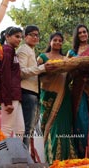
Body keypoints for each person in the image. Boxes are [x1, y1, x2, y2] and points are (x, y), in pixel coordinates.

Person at [37, 32, 77, 164]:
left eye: (60, 41)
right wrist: (50, 73)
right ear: (50, 42)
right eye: (55, 40)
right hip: (48, 96)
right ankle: (52, 162)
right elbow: (37, 76)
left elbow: (69, 79)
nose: (58, 43)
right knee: (50, 127)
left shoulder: (65, 59)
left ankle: (67, 162)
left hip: (64, 97)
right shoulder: (42, 57)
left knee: (63, 127)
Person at [67, 24, 89, 158]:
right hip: (78, 89)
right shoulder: (71, 52)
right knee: (82, 120)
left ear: (88, 33)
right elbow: (68, 71)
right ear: (77, 35)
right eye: (80, 33)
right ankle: (83, 152)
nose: (83, 34)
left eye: (85, 32)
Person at [16, 25, 54, 149]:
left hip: (34, 92)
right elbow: (21, 72)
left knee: (30, 127)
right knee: (27, 127)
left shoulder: (31, 51)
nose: (35, 37)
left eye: (37, 35)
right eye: (32, 34)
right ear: (25, 36)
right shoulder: (23, 49)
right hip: (27, 92)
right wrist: (41, 68)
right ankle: (24, 156)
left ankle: (26, 154)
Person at [0, 26, 25, 139]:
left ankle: (17, 156)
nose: (19, 39)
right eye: (16, 36)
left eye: (20, 37)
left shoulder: (12, 51)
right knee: (7, 130)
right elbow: (5, 75)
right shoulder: (7, 50)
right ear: (7, 37)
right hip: (10, 96)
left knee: (20, 130)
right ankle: (3, 156)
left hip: (15, 95)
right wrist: (7, 101)